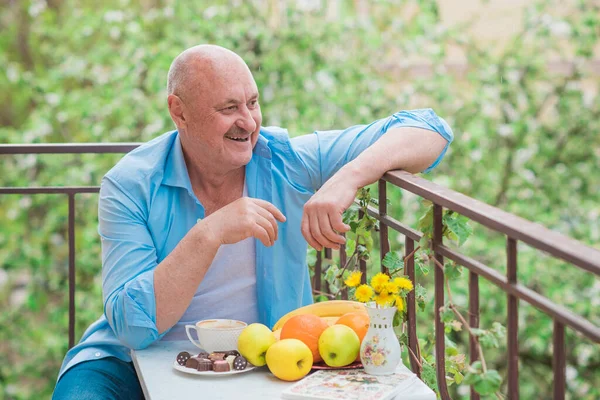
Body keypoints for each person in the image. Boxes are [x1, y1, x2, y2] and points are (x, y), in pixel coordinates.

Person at [52, 44, 453, 399]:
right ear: (180, 111)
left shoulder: (285, 160)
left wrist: (345, 179)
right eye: (229, 108)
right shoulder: (130, 184)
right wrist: (208, 234)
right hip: (127, 365)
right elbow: (132, 329)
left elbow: (429, 130)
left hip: (261, 363)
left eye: (253, 103)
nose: (248, 121)